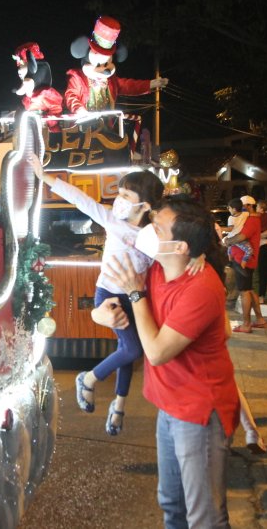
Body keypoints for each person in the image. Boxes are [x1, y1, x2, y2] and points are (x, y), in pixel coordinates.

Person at [97, 196, 241, 529]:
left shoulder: (201, 287)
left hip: (199, 414)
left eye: (157, 227)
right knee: (171, 505)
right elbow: (105, 299)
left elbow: (158, 352)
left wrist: (136, 296)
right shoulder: (156, 268)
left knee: (205, 517)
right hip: (169, 407)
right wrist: (102, 313)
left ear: (181, 247)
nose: (147, 230)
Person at [28, 154, 162, 436]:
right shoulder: (113, 220)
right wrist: (46, 177)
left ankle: (119, 407)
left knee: (129, 352)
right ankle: (87, 379)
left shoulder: (152, 235)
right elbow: (81, 200)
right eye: (120, 193)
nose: (120, 199)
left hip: (135, 297)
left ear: (146, 205)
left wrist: (197, 256)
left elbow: (176, 247)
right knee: (133, 349)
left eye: (127, 194)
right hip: (108, 295)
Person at [224, 196, 265, 330]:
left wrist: (227, 242)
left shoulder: (252, 220)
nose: (241, 209)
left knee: (244, 291)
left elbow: (242, 236)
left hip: (244, 260)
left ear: (248, 206)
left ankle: (246, 324)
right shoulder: (249, 218)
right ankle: (260, 319)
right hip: (243, 258)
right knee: (249, 289)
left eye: (243, 206)